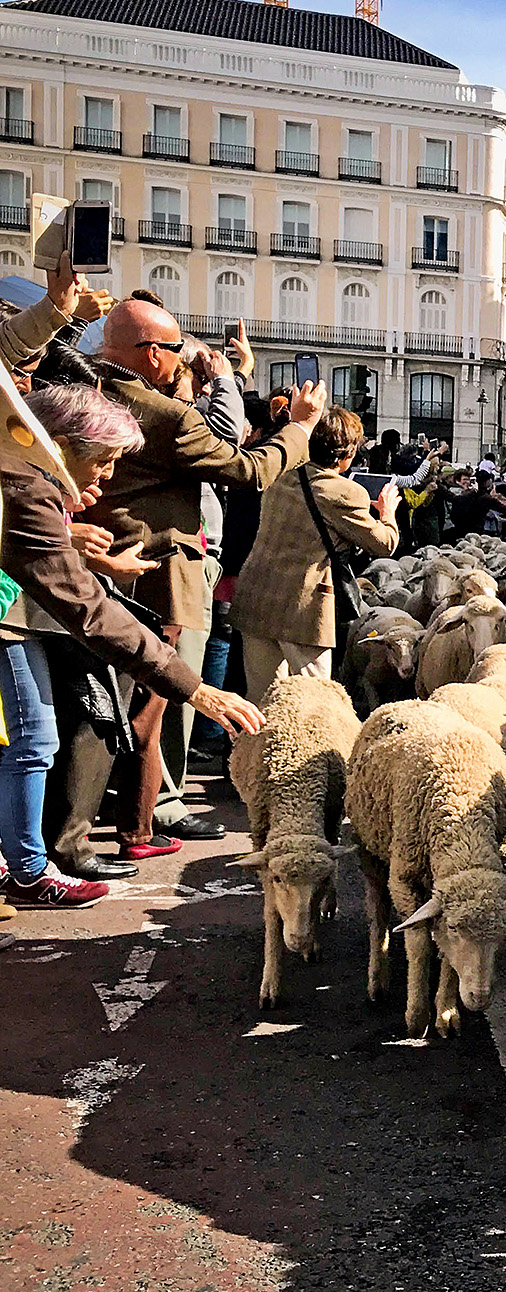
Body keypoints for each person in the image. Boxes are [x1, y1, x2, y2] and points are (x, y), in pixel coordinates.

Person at [0, 380, 264, 909]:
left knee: (30, 737)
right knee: (33, 736)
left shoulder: (24, 478)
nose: (108, 474)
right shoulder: (30, 489)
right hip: (9, 619)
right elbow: (88, 611)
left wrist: (79, 545)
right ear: (63, 443)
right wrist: (196, 690)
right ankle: (26, 869)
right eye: (105, 458)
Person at [74, 297, 320, 862]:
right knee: (148, 705)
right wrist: (299, 427)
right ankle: (126, 827)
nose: (185, 356)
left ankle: (117, 821)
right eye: (177, 345)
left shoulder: (88, 390)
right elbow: (246, 469)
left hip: (97, 566)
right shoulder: (164, 415)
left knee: (95, 704)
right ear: (155, 353)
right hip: (156, 573)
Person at [230, 406, 400, 706]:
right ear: (346, 454)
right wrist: (388, 513)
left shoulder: (280, 473)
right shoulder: (345, 492)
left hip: (256, 596)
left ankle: (255, 752)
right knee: (315, 701)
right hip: (303, 608)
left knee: (261, 699)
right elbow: (384, 545)